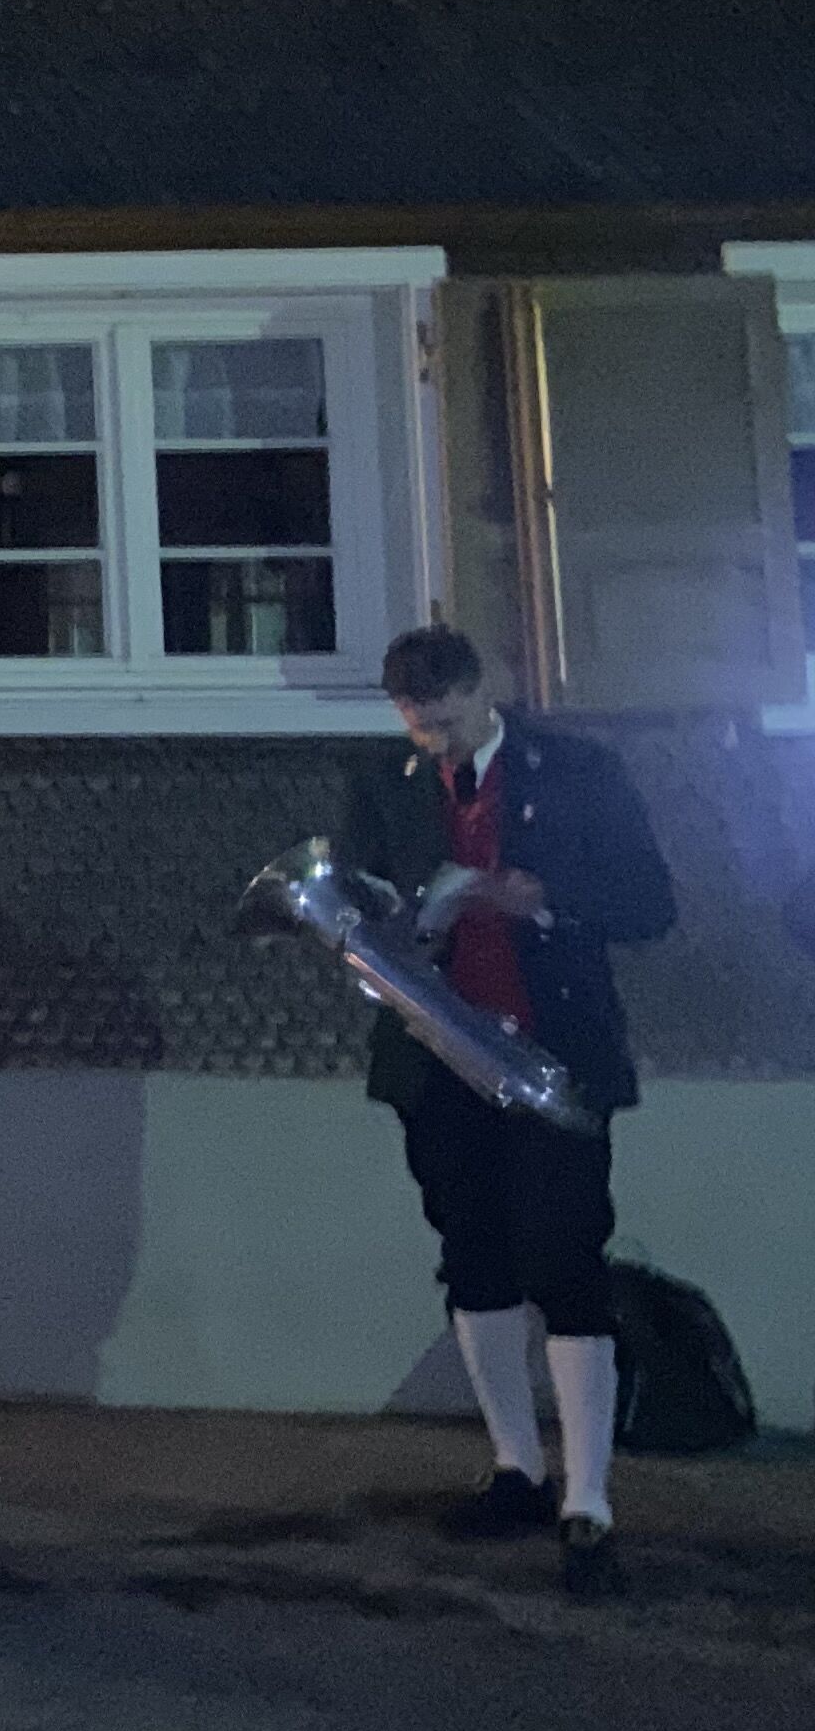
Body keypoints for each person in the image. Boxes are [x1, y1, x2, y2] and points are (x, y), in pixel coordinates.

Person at [339, 623, 675, 1599]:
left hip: (554, 1056)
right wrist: (402, 923)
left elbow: (651, 904)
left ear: (482, 690)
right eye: (417, 727)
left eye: (446, 723)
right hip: (438, 1065)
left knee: (566, 1260)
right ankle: (517, 1469)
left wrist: (546, 898)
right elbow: (358, 912)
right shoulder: (383, 784)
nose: (434, 744)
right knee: (473, 1257)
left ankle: (590, 1499)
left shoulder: (578, 772)